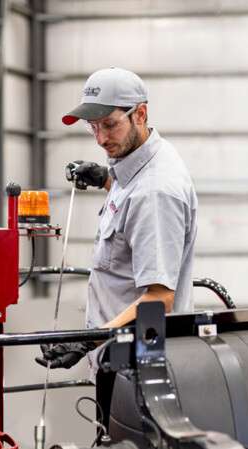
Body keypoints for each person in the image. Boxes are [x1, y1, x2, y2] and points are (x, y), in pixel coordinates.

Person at [35, 67, 198, 385]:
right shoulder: (139, 161)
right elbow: (132, 212)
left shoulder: (155, 191)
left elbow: (159, 299)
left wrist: (86, 340)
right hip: (119, 357)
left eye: (110, 125)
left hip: (139, 369)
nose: (100, 138)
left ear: (140, 114)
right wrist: (106, 179)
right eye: (92, 126)